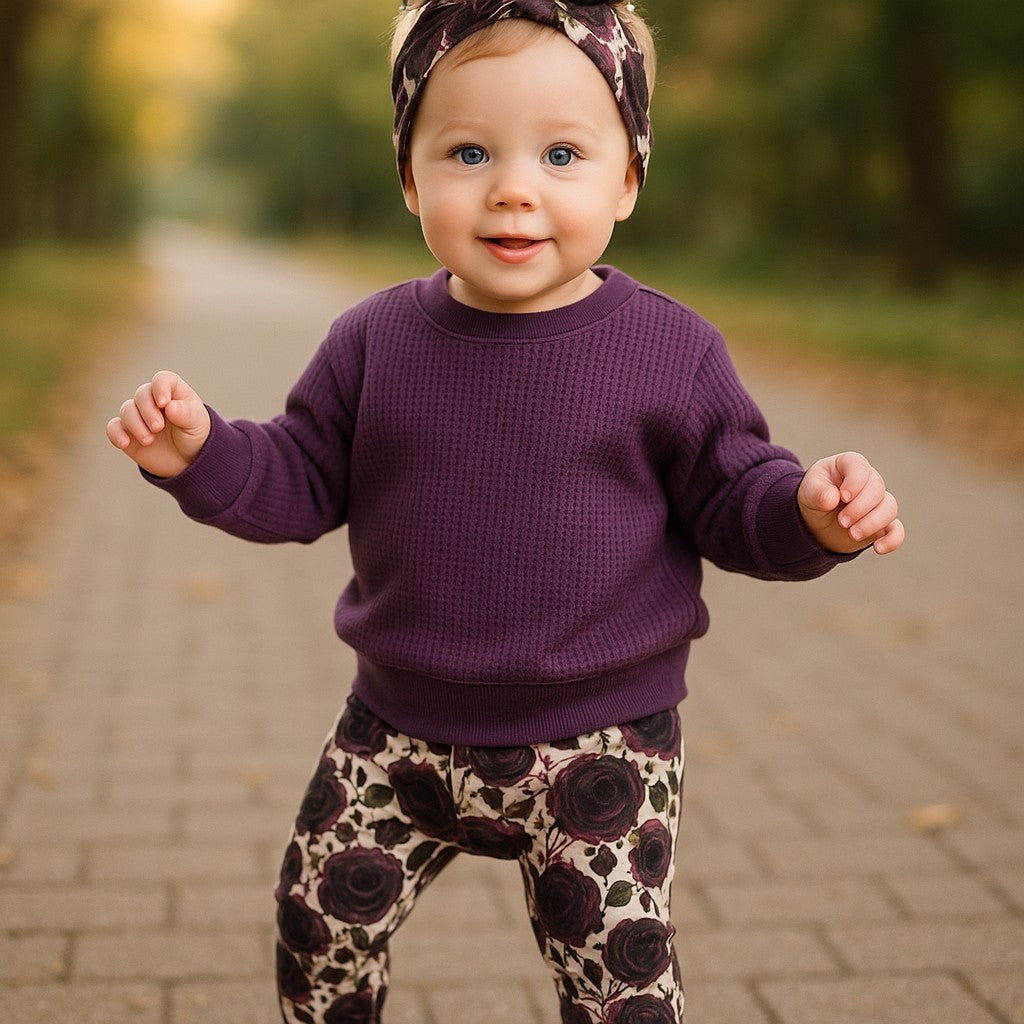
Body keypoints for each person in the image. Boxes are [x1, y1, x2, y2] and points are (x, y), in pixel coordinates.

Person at [106, 1, 904, 1021]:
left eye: (562, 153)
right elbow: (301, 473)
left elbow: (732, 495)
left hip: (600, 747)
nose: (514, 190)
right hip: (395, 734)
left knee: (617, 979)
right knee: (317, 923)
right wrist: (202, 453)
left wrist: (810, 511)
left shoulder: (668, 351)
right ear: (409, 176)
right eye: (469, 151)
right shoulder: (373, 342)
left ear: (628, 177)